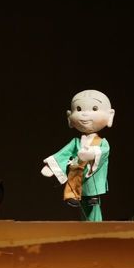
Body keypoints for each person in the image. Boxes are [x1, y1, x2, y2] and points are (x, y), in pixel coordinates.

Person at [41, 90, 114, 221]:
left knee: (93, 208)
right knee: (83, 209)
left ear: (110, 116)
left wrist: (92, 153)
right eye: (79, 109)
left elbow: (103, 152)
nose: (85, 114)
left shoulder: (102, 142)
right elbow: (63, 154)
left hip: (92, 179)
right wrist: (51, 166)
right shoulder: (76, 142)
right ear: (69, 117)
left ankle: (95, 222)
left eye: (94, 109)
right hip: (77, 177)